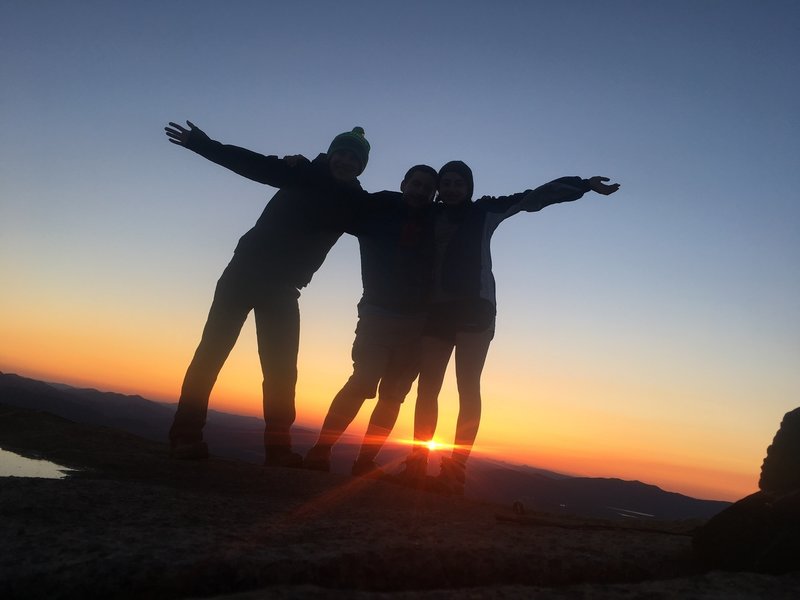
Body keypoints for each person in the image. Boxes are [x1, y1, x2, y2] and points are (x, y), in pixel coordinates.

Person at [401, 161, 620, 494]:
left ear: (469, 187)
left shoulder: (485, 210)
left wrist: (583, 185)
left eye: (459, 183)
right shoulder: (427, 215)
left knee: (467, 388)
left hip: (475, 308)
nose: (453, 188)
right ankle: (417, 465)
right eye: (447, 182)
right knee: (427, 388)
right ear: (438, 188)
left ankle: (453, 472)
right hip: (437, 311)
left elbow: (533, 198)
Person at [164, 121, 371, 466]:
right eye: (343, 154)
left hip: (284, 289)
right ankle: (185, 436)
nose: (346, 161)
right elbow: (253, 165)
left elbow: (391, 215)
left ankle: (278, 450)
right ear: (332, 154)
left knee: (281, 370)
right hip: (243, 273)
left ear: (361, 166)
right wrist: (203, 145)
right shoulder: (301, 172)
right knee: (211, 354)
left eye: (355, 158)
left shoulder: (356, 203)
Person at [303, 165, 439, 477]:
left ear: (433, 194)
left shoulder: (437, 222)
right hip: (377, 315)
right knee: (362, 382)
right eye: (415, 184)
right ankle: (320, 451)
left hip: (418, 325)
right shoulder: (377, 208)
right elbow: (338, 200)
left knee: (393, 395)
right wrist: (315, 165)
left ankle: (364, 462)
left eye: (427, 188)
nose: (419, 191)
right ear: (404, 183)